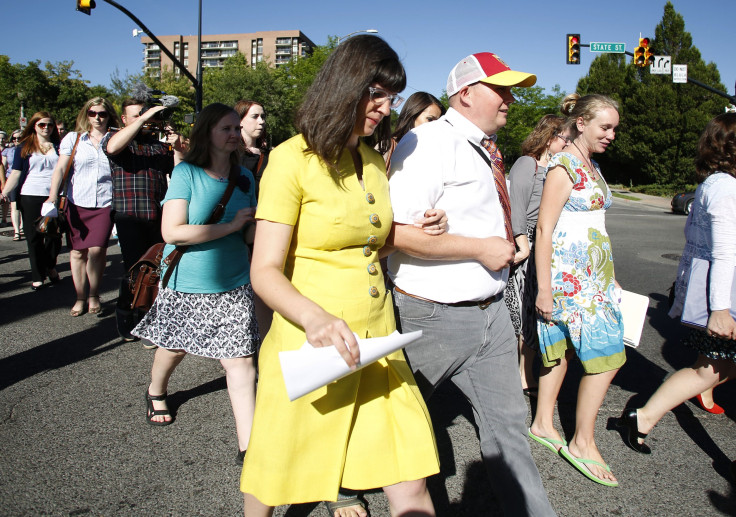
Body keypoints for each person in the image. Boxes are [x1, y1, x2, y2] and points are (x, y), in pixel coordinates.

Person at [241, 35, 439, 517]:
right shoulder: (291, 159)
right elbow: (264, 270)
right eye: (376, 92)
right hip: (310, 348)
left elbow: (367, 239)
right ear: (345, 86)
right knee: (274, 478)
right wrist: (315, 318)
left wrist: (414, 230)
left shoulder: (373, 161)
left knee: (409, 479)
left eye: (390, 97)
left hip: (376, 343)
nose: (385, 107)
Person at [388, 52, 556, 516]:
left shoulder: (486, 147)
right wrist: (480, 248)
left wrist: (504, 243)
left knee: (509, 433)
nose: (509, 99)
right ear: (466, 93)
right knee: (388, 426)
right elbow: (395, 235)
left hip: (491, 315)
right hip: (430, 317)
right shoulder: (425, 143)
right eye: (500, 89)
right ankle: (341, 489)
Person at [132, 102, 259, 463]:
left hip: (235, 281)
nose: (235, 134)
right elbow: (172, 231)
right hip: (188, 281)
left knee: (240, 361)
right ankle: (156, 391)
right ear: (207, 132)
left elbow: (248, 237)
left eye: (237, 128)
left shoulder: (246, 178)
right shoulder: (188, 173)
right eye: (226, 128)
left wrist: (259, 228)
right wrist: (232, 226)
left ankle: (249, 447)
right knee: (175, 348)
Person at [618, 112, 736, 457]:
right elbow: (725, 253)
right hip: (725, 294)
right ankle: (641, 417)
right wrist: (720, 310)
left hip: (720, 291)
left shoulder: (714, 184)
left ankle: (640, 418)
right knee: (709, 370)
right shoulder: (726, 188)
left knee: (713, 370)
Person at [529, 93, 623, 488]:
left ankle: (542, 424)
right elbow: (544, 229)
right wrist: (545, 288)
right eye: (606, 127)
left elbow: (594, 226)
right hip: (570, 281)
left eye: (615, 128)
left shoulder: (591, 164)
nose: (612, 134)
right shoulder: (564, 164)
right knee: (608, 356)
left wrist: (610, 276)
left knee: (563, 349)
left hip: (593, 278)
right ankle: (582, 441)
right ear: (581, 123)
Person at [102, 98, 185, 342]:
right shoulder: (116, 139)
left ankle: (150, 319)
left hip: (157, 215)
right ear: (126, 120)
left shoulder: (159, 146)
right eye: (138, 115)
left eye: (148, 115)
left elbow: (179, 171)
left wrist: (178, 145)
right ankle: (126, 311)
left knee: (157, 270)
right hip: (129, 215)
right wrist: (144, 117)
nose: (147, 120)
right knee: (134, 269)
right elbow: (112, 148)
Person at [505, 115, 571, 397]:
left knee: (535, 314)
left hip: (546, 244)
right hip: (527, 244)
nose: (568, 143)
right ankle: (521, 373)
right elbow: (515, 207)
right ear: (549, 136)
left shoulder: (557, 168)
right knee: (523, 312)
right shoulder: (527, 164)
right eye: (564, 138)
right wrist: (523, 243)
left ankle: (526, 370)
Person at [46, 98, 122, 317]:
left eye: (102, 114)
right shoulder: (74, 138)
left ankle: (94, 294)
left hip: (105, 202)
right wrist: (52, 197)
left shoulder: (116, 138)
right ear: (85, 115)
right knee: (78, 252)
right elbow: (61, 169)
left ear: (109, 116)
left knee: (98, 251)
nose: (97, 118)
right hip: (77, 201)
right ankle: (80, 296)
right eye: (92, 113)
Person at [1, 112, 62, 290]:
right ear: (34, 126)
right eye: (41, 125)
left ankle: (50, 266)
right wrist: (4, 192)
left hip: (52, 196)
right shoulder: (24, 147)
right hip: (29, 194)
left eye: (49, 125)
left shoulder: (59, 146)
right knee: (33, 237)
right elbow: (16, 173)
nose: (46, 128)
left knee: (54, 236)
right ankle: (38, 276)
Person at [383, 92, 445, 170]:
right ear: (412, 116)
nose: (435, 125)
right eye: (430, 119)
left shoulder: (434, 152)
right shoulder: (386, 147)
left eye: (438, 122)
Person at [234, 100, 268, 190]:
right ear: (240, 120)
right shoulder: (230, 154)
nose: (261, 121)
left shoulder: (270, 156)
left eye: (263, 117)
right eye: (255, 117)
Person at [3, 130, 25, 240]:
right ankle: (16, 230)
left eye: (19, 138)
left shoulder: (27, 149)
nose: (16, 140)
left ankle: (22, 226)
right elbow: (3, 166)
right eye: (14, 138)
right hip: (12, 179)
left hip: (25, 180)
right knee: (14, 205)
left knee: (23, 205)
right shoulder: (8, 151)